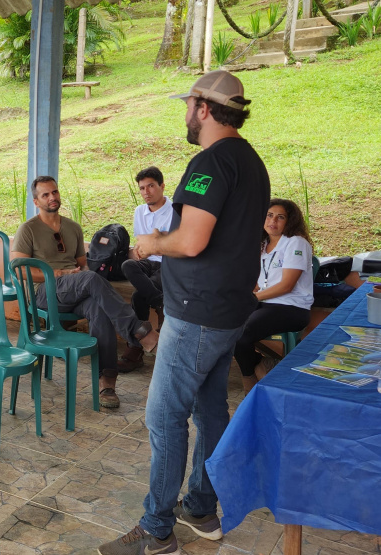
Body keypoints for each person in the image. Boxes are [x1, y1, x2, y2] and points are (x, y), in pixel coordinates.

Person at [98, 70, 270, 555]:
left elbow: (191, 240)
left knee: (164, 415)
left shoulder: (210, 162)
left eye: (188, 104)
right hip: (228, 310)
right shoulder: (251, 161)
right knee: (210, 410)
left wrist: (152, 242)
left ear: (204, 107)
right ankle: (200, 506)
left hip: (196, 315)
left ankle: (156, 531)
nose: (186, 114)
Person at [11, 177, 158, 410]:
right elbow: (19, 270)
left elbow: (84, 266)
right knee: (90, 279)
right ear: (36, 201)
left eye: (55, 192)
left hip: (74, 291)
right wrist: (56, 273)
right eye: (46, 195)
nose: (52, 197)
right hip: (44, 294)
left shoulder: (73, 228)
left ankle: (107, 382)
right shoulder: (28, 229)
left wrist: (78, 275)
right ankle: (138, 331)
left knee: (99, 307)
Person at [234, 198, 313, 393]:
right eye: (269, 215)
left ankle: (250, 379)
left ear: (289, 221)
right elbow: (257, 281)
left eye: (280, 217)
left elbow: (286, 286)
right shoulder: (262, 245)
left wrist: (254, 298)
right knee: (227, 324)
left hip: (291, 307)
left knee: (241, 333)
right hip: (265, 303)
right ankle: (261, 366)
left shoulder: (296, 242)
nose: (273, 221)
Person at [118, 166, 173, 371]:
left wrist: (158, 243)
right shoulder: (139, 211)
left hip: (168, 263)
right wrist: (146, 248)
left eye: (150, 186)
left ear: (162, 186)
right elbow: (141, 242)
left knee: (138, 297)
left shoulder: (175, 211)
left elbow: (174, 246)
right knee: (128, 264)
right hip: (147, 262)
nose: (146, 192)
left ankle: (135, 349)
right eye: (142, 188)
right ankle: (160, 304)